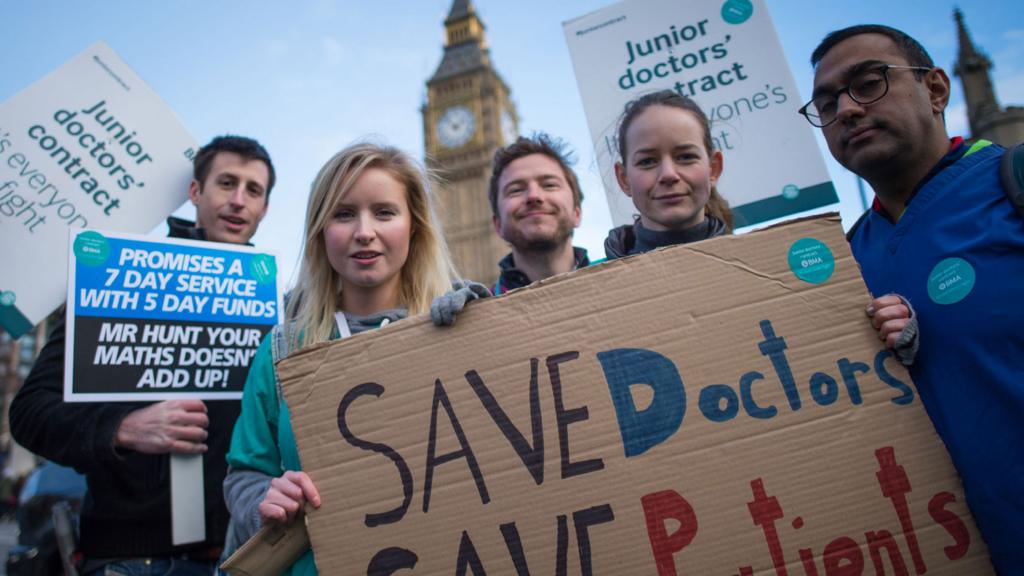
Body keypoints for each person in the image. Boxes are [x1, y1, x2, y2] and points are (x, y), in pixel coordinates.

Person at [804, 24, 1023, 571]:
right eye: (826, 104)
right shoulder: (843, 264)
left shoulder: (1011, 183)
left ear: (936, 90)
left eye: (869, 83)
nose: (847, 110)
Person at [9, 135, 274, 575]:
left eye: (254, 190)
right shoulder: (118, 282)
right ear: (195, 192)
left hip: (243, 557)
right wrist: (122, 428)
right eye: (226, 183)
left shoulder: (276, 312)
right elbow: (30, 413)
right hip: (134, 560)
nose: (239, 201)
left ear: (264, 208)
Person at [223, 143, 462, 575]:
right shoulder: (281, 351)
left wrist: (480, 333)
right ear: (320, 231)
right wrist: (264, 499)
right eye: (344, 214)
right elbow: (243, 473)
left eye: (384, 213)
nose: (364, 231)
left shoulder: (458, 330)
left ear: (414, 227)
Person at [605, 90, 734, 259]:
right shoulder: (591, 283)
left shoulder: (760, 265)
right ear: (624, 179)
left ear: (713, 168)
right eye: (647, 161)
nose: (668, 174)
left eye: (686, 157)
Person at [489, 134, 589, 293]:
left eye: (549, 185)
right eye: (516, 190)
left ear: (577, 213)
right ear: (498, 224)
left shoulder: (621, 278)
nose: (534, 196)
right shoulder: (479, 311)